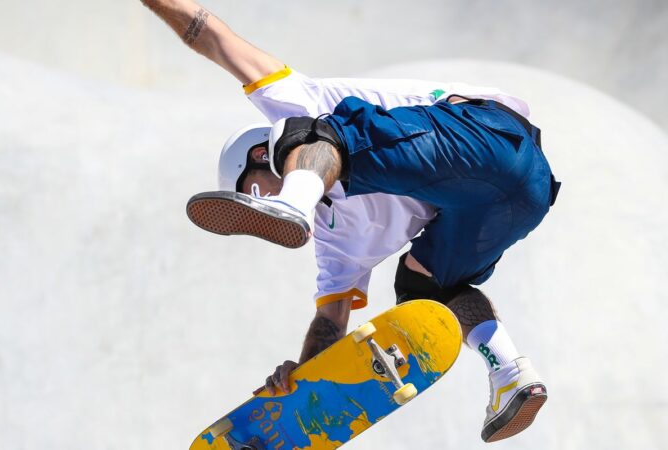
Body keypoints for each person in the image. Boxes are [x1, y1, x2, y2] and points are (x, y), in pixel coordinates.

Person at [142, 0, 560, 442]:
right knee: (426, 291)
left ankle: (295, 202)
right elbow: (330, 322)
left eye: (257, 190)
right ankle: (511, 374)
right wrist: (302, 384)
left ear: (261, 154)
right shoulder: (337, 245)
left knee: (309, 129)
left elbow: (212, 38)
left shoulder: (294, 102)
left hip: (483, 134)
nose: (259, 200)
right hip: (523, 193)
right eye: (259, 201)